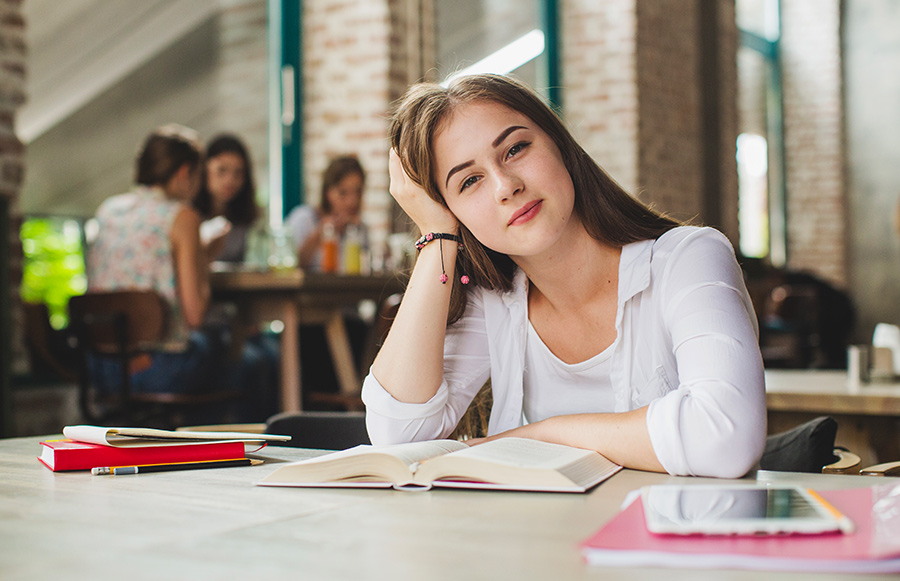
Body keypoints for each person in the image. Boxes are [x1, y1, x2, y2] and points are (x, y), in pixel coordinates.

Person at [363, 74, 766, 478]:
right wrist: (438, 237)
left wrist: (535, 438)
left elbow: (725, 438)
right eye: (469, 181)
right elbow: (398, 438)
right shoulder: (496, 303)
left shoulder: (687, 259)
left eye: (516, 149)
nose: (506, 186)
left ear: (560, 144)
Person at [87, 124, 271, 420]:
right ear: (186, 173)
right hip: (159, 370)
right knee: (240, 356)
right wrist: (202, 255)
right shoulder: (181, 216)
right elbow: (196, 315)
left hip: (104, 368)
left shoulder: (109, 209)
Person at [285, 155, 367, 271]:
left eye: (358, 192)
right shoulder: (303, 218)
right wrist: (320, 233)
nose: (352, 201)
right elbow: (289, 265)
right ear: (327, 192)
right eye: (343, 192)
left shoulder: (359, 228)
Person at [193, 133, 259, 263]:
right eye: (222, 170)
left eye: (238, 173)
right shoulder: (189, 216)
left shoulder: (247, 220)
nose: (230, 181)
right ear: (205, 170)